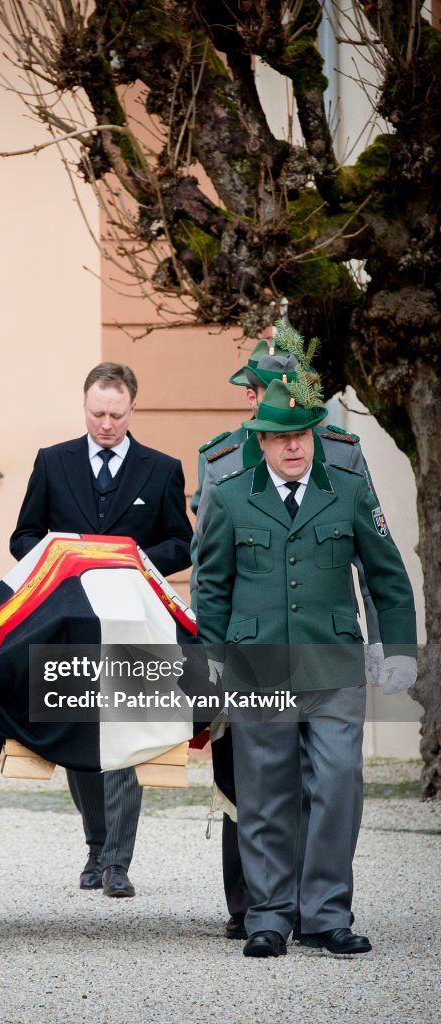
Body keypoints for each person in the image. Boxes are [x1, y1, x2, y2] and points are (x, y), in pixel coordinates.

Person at [196, 378, 417, 958]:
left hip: (333, 661)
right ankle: (268, 915)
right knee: (264, 794)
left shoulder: (348, 491)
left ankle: (325, 915)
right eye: (281, 438)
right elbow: (211, 587)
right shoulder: (230, 496)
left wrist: (397, 648)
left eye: (302, 435)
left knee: (338, 786)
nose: (294, 446)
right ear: (262, 442)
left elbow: (388, 577)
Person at [10, 361, 193, 897]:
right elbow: (24, 536)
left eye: (115, 414)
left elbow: (181, 543)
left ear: (132, 408)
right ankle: (95, 848)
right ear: (84, 407)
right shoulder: (52, 461)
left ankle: (118, 862)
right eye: (97, 414)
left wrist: (126, 558)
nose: (106, 424)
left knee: (128, 738)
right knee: (80, 735)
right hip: (67, 622)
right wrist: (67, 557)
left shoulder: (162, 468)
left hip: (135, 621)